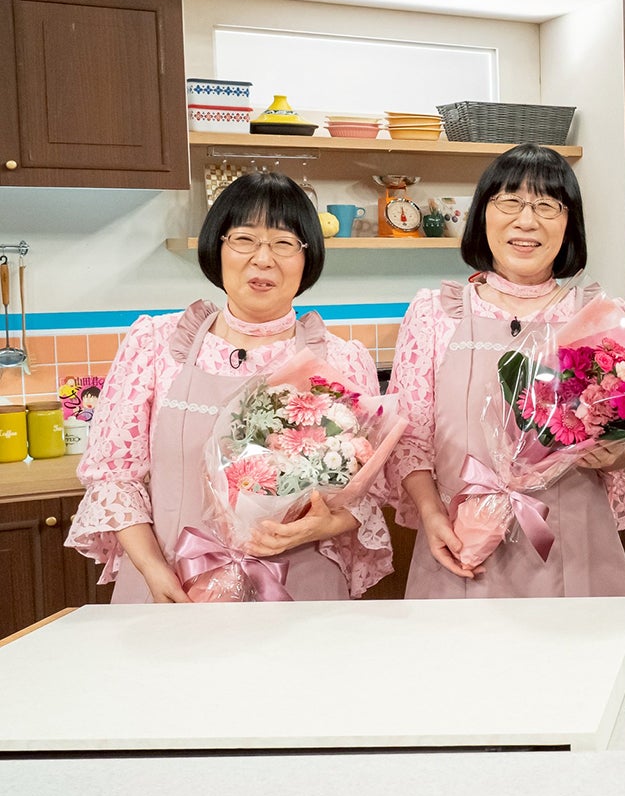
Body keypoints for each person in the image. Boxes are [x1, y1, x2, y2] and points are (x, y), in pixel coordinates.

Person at [67, 172, 390, 602]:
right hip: (171, 587)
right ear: (217, 247)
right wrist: (153, 571)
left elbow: (368, 493)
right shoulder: (155, 345)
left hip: (298, 592)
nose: (263, 259)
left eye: (284, 242)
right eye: (244, 239)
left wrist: (328, 524)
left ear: (307, 257)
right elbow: (113, 477)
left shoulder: (340, 361)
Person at [389, 144, 625, 598]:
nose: (527, 221)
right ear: (482, 215)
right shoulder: (435, 313)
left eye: (547, 206)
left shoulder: (598, 316)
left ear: (569, 223)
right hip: (462, 541)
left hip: (574, 548)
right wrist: (432, 516)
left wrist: (613, 454)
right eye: (509, 202)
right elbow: (409, 440)